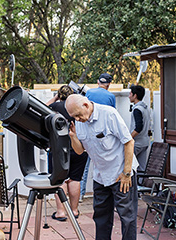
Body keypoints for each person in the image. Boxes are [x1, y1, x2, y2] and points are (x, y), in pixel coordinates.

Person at [65, 94, 138, 240]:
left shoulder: (109, 114)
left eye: (78, 115)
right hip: (100, 176)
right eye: (74, 117)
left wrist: (126, 173)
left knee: (127, 217)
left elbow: (129, 142)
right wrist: (73, 136)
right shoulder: (79, 121)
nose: (77, 119)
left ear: (86, 105)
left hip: (121, 173)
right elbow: (80, 151)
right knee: (101, 217)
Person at [46, 85, 88, 221]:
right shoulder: (78, 107)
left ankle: (61, 212)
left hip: (58, 149)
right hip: (79, 147)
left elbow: (41, 108)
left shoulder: (54, 107)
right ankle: (74, 211)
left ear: (59, 95)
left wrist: (55, 98)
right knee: (75, 179)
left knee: (60, 180)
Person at [80, 73, 116, 202]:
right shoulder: (111, 96)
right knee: (105, 165)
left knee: (84, 168)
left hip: (88, 134)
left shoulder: (89, 93)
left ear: (97, 81)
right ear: (109, 84)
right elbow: (113, 115)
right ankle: (107, 195)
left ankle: (80, 195)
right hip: (104, 137)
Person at [129, 85, 150, 174]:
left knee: (128, 166)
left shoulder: (137, 109)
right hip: (145, 142)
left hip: (137, 144)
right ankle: (140, 186)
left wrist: (129, 138)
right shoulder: (145, 108)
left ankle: (131, 187)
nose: (129, 96)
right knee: (141, 168)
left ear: (135, 95)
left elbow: (138, 128)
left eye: (130, 94)